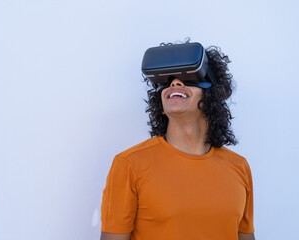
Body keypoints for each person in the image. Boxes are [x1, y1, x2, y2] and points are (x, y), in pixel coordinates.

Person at [100, 40, 256, 240]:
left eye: (188, 78)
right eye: (168, 81)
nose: (174, 83)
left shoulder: (239, 167)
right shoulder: (130, 165)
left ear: (212, 93)